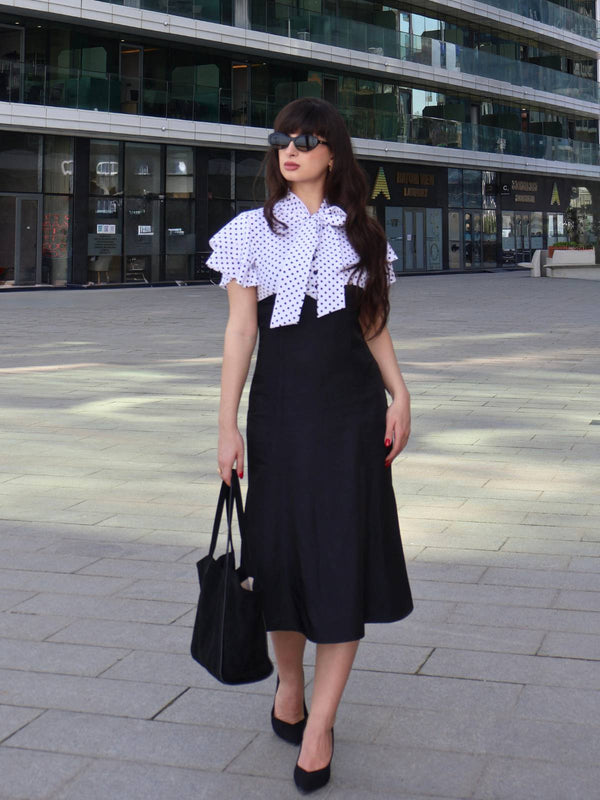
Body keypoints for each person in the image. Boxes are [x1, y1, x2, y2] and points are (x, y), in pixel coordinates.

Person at [209, 97, 413, 793]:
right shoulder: (251, 230)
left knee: (341, 559)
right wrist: (226, 424)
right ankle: (289, 685)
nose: (290, 149)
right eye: (282, 139)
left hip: (351, 417)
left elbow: (372, 323)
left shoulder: (363, 234)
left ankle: (320, 725)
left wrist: (400, 394)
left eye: (306, 139)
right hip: (280, 417)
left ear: (333, 153)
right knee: (280, 559)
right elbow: (241, 331)